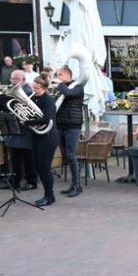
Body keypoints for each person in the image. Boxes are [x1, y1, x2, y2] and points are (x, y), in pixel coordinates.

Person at [2, 70, 37, 191]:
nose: (13, 82)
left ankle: (31, 181)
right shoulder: (11, 90)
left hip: (25, 128)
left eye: (16, 79)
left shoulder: (28, 92)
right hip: (14, 126)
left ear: (23, 79)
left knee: (27, 158)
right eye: (12, 79)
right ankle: (15, 181)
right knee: (14, 157)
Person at [55, 65, 85, 197]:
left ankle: (77, 185)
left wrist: (59, 84)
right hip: (60, 124)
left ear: (68, 74)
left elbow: (68, 93)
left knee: (71, 154)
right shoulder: (61, 87)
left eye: (60, 74)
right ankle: (73, 184)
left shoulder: (78, 87)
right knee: (66, 155)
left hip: (73, 125)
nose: (58, 77)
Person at [29, 76, 59, 207]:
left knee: (44, 167)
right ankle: (48, 195)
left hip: (48, 136)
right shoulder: (33, 99)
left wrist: (28, 122)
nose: (34, 90)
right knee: (38, 166)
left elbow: (47, 119)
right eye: (33, 87)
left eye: (37, 88)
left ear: (44, 88)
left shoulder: (48, 100)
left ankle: (49, 196)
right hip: (36, 135)